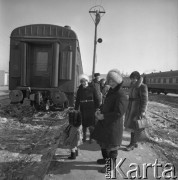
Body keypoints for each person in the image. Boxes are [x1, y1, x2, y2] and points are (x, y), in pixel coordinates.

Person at [91, 69, 128, 173]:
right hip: (105, 123)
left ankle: (110, 166)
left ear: (118, 81)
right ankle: (105, 160)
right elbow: (106, 104)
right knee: (103, 144)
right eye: (109, 80)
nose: (110, 82)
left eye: (112, 80)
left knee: (112, 147)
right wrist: (99, 110)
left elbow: (119, 113)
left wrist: (104, 116)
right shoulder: (111, 91)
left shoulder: (121, 94)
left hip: (113, 125)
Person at [124, 71, 148, 151]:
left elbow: (144, 100)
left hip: (137, 109)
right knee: (132, 127)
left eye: (134, 78)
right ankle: (134, 143)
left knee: (135, 127)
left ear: (138, 78)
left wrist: (142, 111)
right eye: (132, 78)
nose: (133, 80)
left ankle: (132, 144)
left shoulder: (142, 86)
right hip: (130, 108)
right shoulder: (132, 86)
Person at [75, 74, 100, 143]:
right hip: (83, 107)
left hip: (91, 107)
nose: (84, 83)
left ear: (87, 81)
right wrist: (76, 109)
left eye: (85, 81)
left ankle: (91, 138)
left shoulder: (92, 88)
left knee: (91, 123)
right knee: (84, 123)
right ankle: (84, 138)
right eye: (82, 82)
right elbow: (77, 100)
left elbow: (96, 98)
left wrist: (97, 107)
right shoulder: (79, 90)